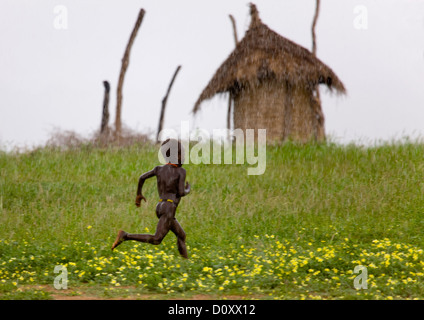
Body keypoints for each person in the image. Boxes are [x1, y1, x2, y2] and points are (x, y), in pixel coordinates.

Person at [111, 139, 191, 258]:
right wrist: (188, 189)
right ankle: (125, 236)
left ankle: (186, 262)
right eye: (181, 154)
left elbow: (142, 178)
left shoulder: (158, 169)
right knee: (157, 239)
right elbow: (180, 192)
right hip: (169, 208)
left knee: (181, 235)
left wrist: (139, 194)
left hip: (160, 206)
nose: (184, 157)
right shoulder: (181, 171)